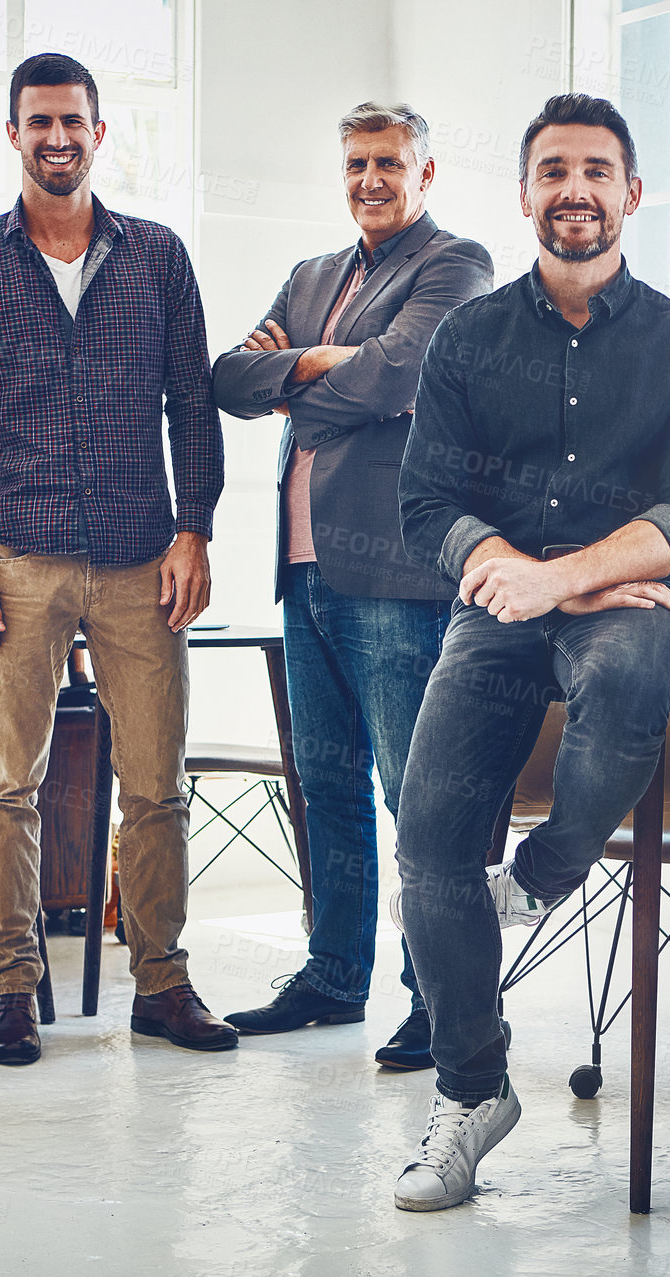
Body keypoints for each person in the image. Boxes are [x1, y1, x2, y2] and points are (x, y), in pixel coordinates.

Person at [389, 94, 670, 1209]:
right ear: (526, 191)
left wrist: (571, 575)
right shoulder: (467, 337)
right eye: (552, 170)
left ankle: (535, 881)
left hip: (616, 605)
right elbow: (424, 501)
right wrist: (510, 569)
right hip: (496, 606)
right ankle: (471, 1095)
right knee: (429, 840)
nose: (574, 189)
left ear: (631, 194)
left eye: (597, 170)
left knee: (645, 658)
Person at [0, 53, 231, 1065]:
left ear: (100, 134)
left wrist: (197, 528)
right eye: (39, 121)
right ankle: (12, 988)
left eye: (74, 122)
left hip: (145, 558)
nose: (58, 137)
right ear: (13, 134)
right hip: (17, 561)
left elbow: (193, 403)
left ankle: (162, 984)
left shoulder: (158, 257)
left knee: (157, 784)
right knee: (7, 782)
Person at [212, 103, 492, 1068]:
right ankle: (335, 975)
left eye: (388, 163)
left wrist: (296, 374)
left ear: (424, 172)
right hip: (301, 570)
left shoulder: (456, 266)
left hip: (394, 570)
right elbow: (226, 379)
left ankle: (441, 999)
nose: (369, 178)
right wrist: (321, 366)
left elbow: (394, 380)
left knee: (413, 795)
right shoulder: (312, 275)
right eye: (355, 163)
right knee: (324, 784)